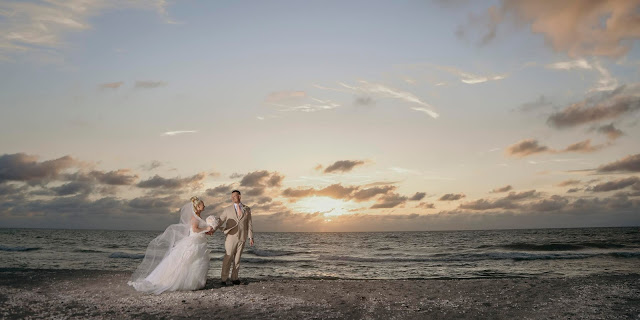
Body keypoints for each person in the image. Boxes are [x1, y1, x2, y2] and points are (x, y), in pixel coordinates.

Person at [128, 196, 213, 294]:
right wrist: (206, 229)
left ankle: (195, 282)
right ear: (198, 206)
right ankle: (185, 282)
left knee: (196, 261)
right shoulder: (194, 218)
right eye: (202, 204)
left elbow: (198, 230)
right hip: (194, 241)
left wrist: (206, 232)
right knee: (189, 261)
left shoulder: (198, 217)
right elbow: (194, 230)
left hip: (199, 240)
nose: (204, 205)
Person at [215, 189, 253, 285]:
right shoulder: (227, 210)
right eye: (231, 197)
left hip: (242, 237)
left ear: (239, 196)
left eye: (234, 196)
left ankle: (234, 278)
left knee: (237, 259)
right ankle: (224, 279)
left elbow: (249, 223)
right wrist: (212, 228)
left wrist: (251, 237)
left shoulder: (247, 209)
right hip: (231, 237)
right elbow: (220, 220)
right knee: (227, 258)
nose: (232, 198)